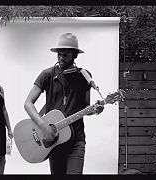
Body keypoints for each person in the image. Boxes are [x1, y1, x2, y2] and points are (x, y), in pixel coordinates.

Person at [24, 33, 104, 175]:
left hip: (76, 140)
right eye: (59, 54)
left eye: (65, 55)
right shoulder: (47, 74)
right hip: (54, 140)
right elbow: (28, 103)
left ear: (75, 55)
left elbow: (86, 106)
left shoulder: (84, 76)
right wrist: (43, 127)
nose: (61, 58)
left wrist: (95, 110)